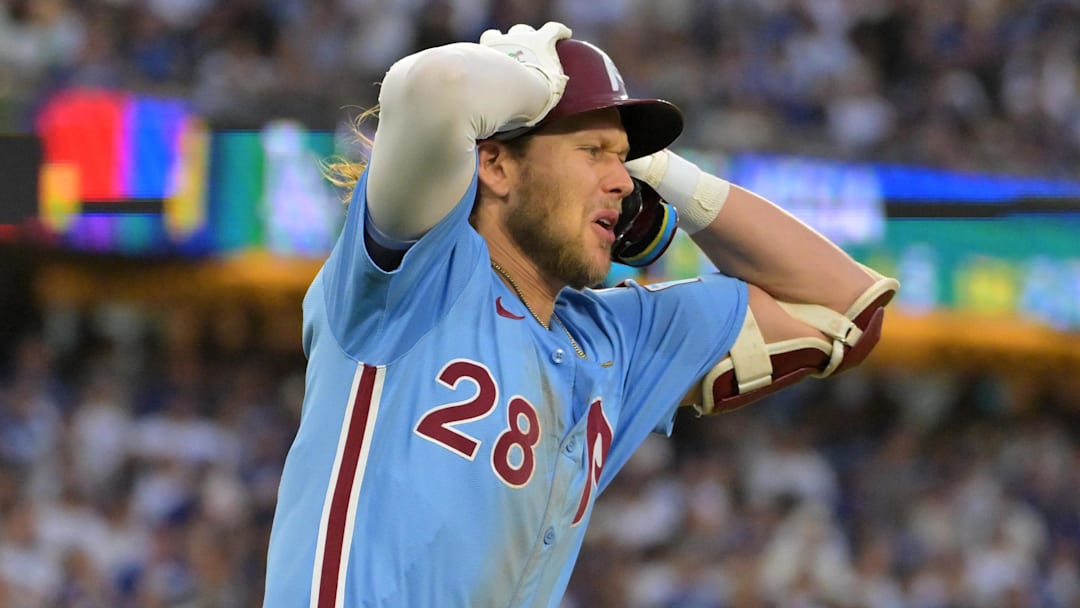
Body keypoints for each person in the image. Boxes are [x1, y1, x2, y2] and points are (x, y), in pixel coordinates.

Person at [262, 22, 898, 608]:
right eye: (594, 150)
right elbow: (433, 86)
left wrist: (670, 174)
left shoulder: (615, 342)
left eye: (625, 160)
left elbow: (845, 312)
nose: (622, 182)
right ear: (496, 163)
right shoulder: (416, 271)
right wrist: (539, 82)